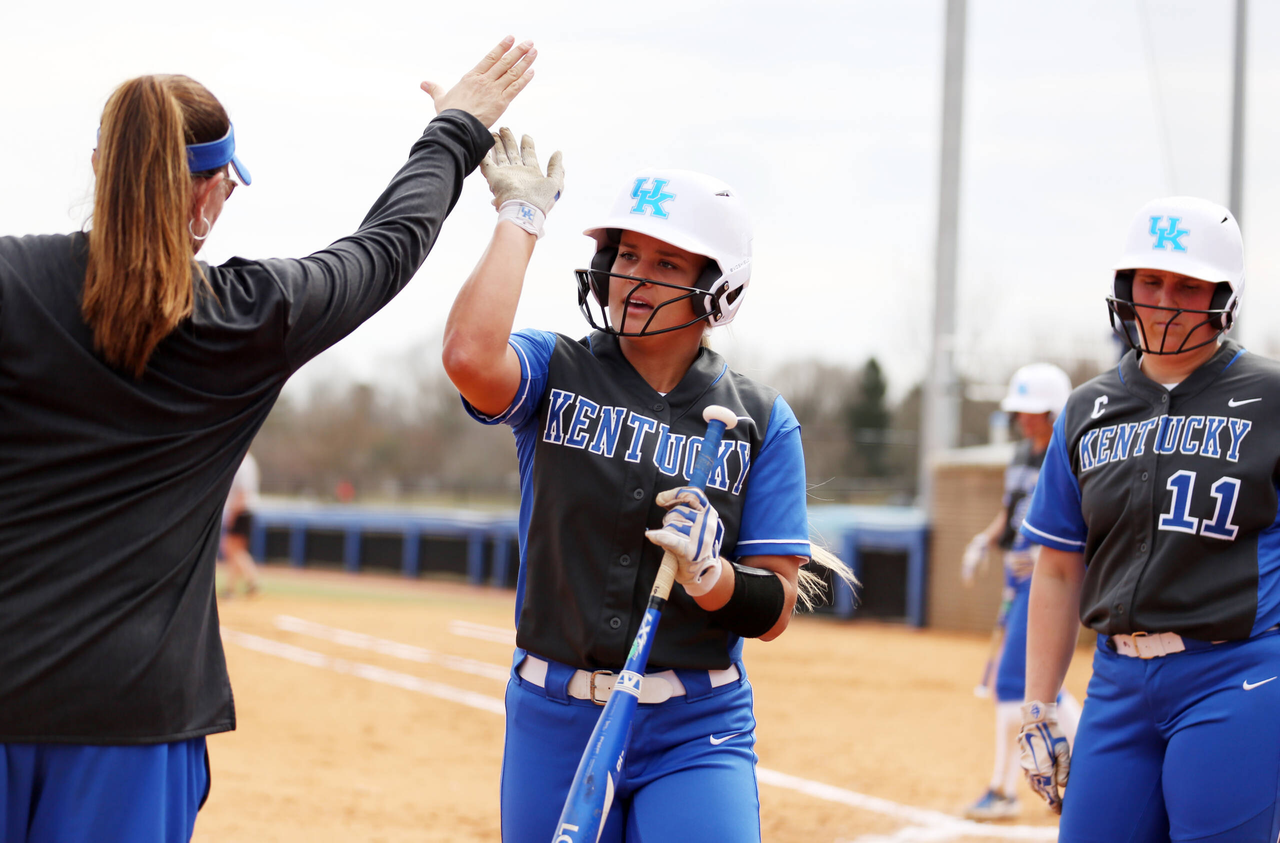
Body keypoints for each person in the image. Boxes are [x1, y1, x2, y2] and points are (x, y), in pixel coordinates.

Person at [0, 39, 535, 843]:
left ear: (100, 170)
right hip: (134, 714)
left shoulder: (10, 281)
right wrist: (453, 131)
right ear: (212, 191)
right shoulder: (248, 316)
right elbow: (385, 248)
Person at [442, 132, 853, 842]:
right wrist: (520, 218)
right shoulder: (556, 367)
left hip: (697, 725)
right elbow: (471, 357)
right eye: (626, 254)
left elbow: (776, 604)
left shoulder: (761, 420)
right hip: (556, 715)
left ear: (718, 287)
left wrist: (712, 575)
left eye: (666, 262)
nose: (634, 276)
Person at [1017, 196, 1280, 841]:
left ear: (1224, 294)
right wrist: (1039, 705)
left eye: (1188, 285)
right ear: (1125, 287)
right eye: (1150, 280)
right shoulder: (1086, 408)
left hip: (1238, 674)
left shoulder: (1274, 398)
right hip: (1117, 682)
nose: (1164, 299)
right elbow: (1056, 569)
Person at [959, 363, 1081, 821]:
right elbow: (1009, 516)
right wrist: (983, 542)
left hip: (1046, 580)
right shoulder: (1020, 456)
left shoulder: (1065, 456)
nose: (1025, 420)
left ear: (1056, 412)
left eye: (1035, 412)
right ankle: (1078, 767)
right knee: (1040, 682)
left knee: (1013, 681)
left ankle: (1003, 789)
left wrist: (1047, 556)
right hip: (1017, 578)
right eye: (1022, 412)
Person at [220, 451, 262, 598]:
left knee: (232, 549)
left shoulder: (243, 462)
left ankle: (253, 581)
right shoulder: (247, 460)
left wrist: (233, 514)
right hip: (244, 510)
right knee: (235, 550)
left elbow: (243, 493)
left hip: (241, 510)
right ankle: (230, 588)